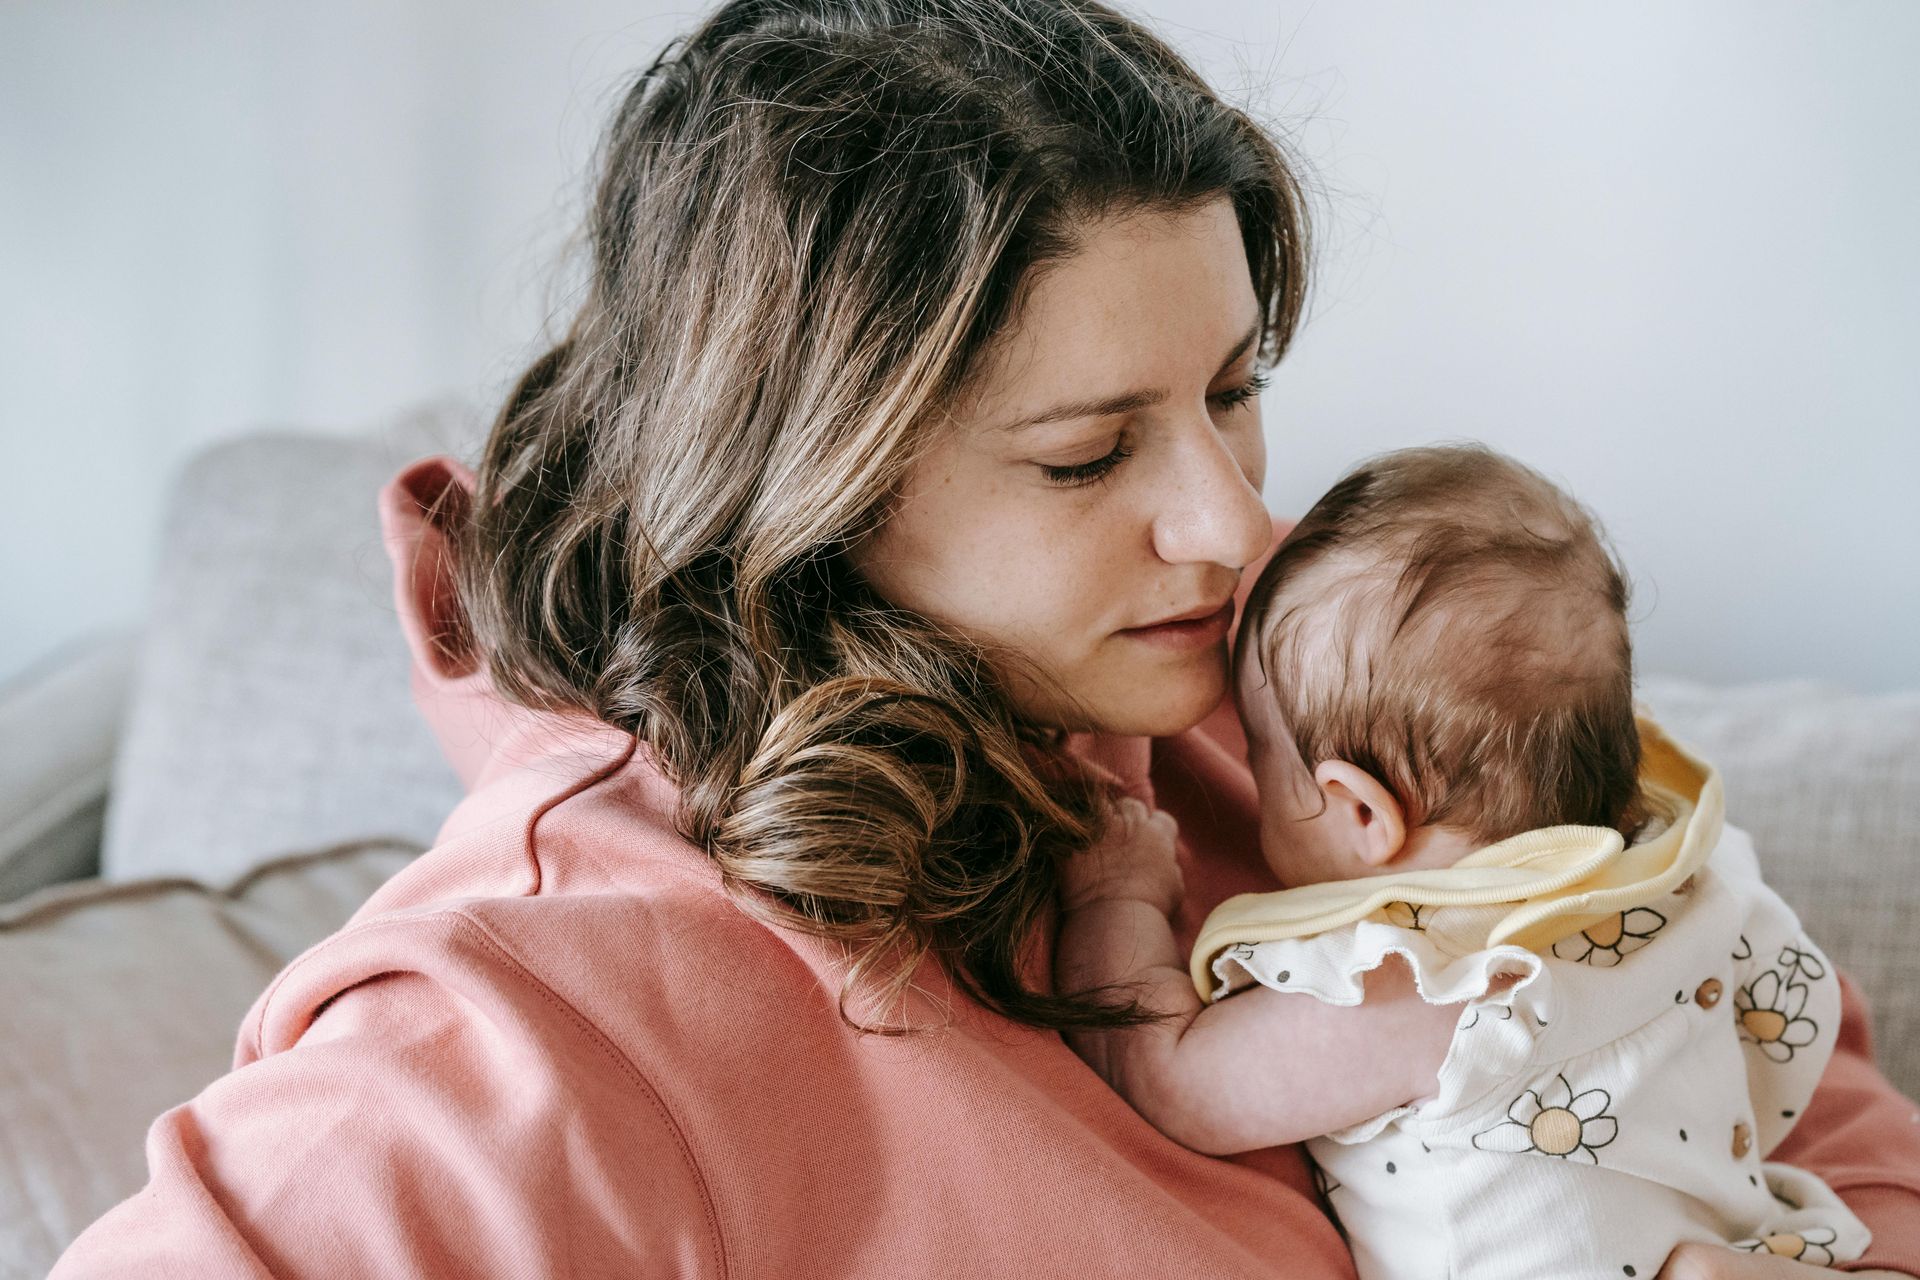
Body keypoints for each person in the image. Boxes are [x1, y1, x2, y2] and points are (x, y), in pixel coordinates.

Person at [50, 1, 1920, 1276]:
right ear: (802, 483)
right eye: (1089, 452)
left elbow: (1813, 1116)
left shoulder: (1254, 719)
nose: (1235, 526)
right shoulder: (541, 1027)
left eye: (1235, 391)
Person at [1053, 445, 1874, 1278]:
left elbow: (1172, 1081)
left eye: (1262, 757)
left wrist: (1114, 900)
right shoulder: (1686, 886)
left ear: (1362, 811)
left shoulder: (1423, 981)